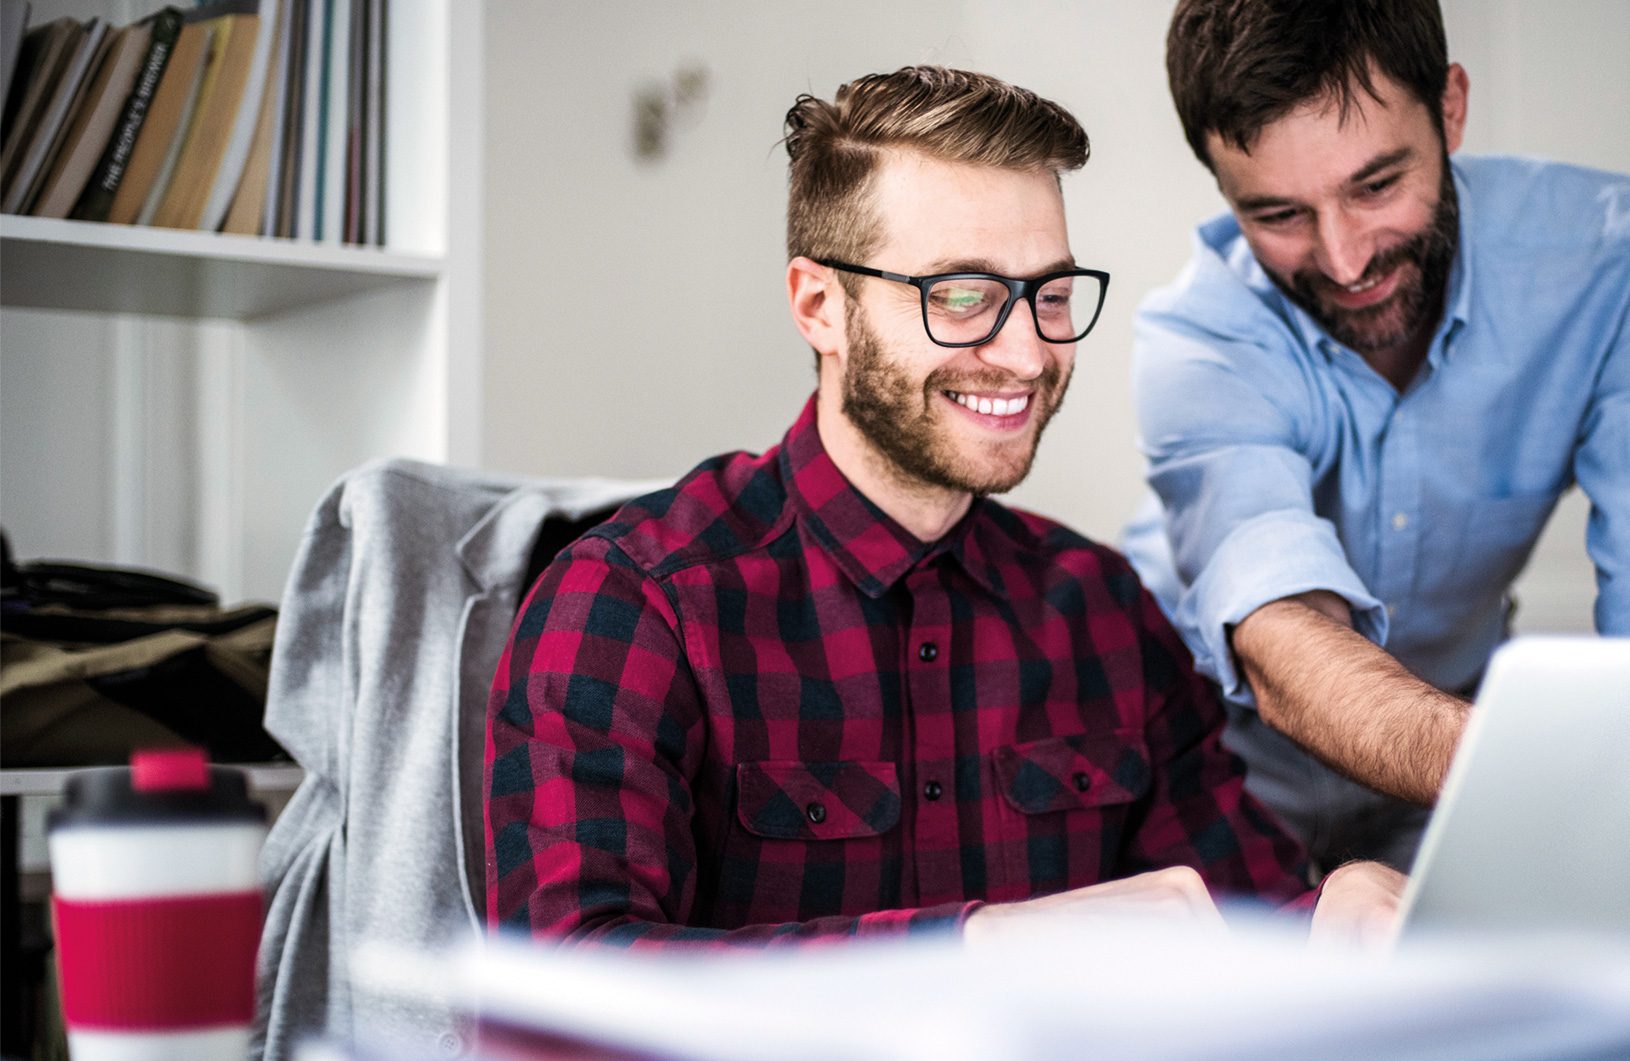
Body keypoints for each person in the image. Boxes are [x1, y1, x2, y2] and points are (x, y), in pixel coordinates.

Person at [483, 65, 1403, 950]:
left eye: (1049, 294)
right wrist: (973, 946)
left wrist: (1332, 911)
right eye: (961, 295)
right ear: (819, 306)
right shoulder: (636, 604)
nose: (1028, 353)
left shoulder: (1102, 610)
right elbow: (567, 991)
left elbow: (1244, 925)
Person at [1122, 0, 1630, 870]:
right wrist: (1549, 774)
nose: (1343, 262)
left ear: (1450, 108)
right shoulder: (1198, 337)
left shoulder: (1621, 261)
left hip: (1455, 728)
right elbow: (1285, 638)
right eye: (1278, 215)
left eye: (1376, 186)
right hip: (1216, 750)